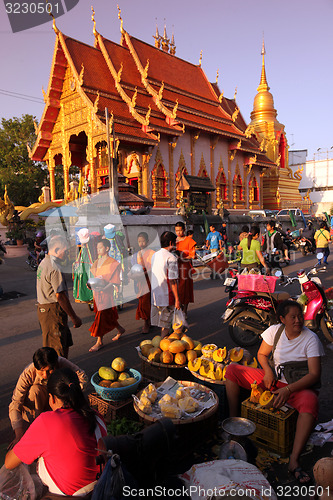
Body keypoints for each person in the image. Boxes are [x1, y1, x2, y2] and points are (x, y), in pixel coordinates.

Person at [225, 300, 324, 484]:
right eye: (293, 317)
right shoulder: (274, 331)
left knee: (311, 402)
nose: (298, 320)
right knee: (231, 370)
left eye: (300, 316)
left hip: (297, 387)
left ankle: (294, 460)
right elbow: (262, 355)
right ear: (282, 319)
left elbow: (314, 374)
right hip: (273, 381)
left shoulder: (311, 339)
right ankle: (234, 426)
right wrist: (268, 371)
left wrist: (288, 389)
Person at [5, 368, 107, 497]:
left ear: (52, 398)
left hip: (69, 495)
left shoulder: (47, 421)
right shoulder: (97, 416)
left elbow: (9, 463)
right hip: (101, 486)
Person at [8, 347, 87, 448]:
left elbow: (82, 376)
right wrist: (19, 435)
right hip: (37, 405)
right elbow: (15, 403)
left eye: (50, 370)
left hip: (57, 401)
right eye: (41, 372)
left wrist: (71, 392)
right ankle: (38, 425)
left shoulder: (61, 362)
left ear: (55, 365)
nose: (45, 375)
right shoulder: (28, 373)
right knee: (35, 390)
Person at [37, 235, 82, 359]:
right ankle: (58, 374)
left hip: (46, 310)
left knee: (63, 341)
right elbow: (60, 296)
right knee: (57, 348)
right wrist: (74, 317)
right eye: (65, 251)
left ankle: (62, 367)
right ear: (56, 250)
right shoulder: (54, 267)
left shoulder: (44, 262)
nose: (67, 255)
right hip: (52, 311)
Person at [89, 239, 125, 351]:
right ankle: (120, 329)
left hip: (106, 293)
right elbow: (94, 278)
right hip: (96, 293)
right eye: (97, 247)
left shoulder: (113, 263)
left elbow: (114, 281)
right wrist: (89, 284)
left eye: (100, 247)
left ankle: (99, 341)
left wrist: (104, 288)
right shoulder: (96, 262)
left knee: (100, 316)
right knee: (108, 315)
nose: (98, 249)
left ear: (107, 248)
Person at [150, 231, 180, 338]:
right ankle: (163, 345)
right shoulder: (171, 258)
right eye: (175, 242)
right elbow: (172, 280)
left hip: (155, 296)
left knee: (163, 323)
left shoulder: (154, 255)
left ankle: (164, 342)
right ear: (171, 242)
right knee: (166, 325)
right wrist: (177, 299)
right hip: (167, 296)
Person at [131, 232, 155, 334]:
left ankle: (147, 322)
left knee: (149, 302)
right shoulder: (136, 255)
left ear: (148, 241)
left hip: (150, 280)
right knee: (143, 302)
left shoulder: (152, 253)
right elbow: (133, 268)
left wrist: (145, 273)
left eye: (143, 241)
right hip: (140, 282)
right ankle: (147, 321)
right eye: (139, 241)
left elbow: (154, 267)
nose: (141, 243)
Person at [175, 221, 196, 316]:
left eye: (180, 230)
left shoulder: (189, 241)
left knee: (185, 289)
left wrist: (183, 258)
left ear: (184, 230)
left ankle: (185, 310)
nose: (178, 233)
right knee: (176, 289)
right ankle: (180, 307)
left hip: (185, 267)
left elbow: (192, 255)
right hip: (175, 267)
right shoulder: (174, 241)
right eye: (176, 231)